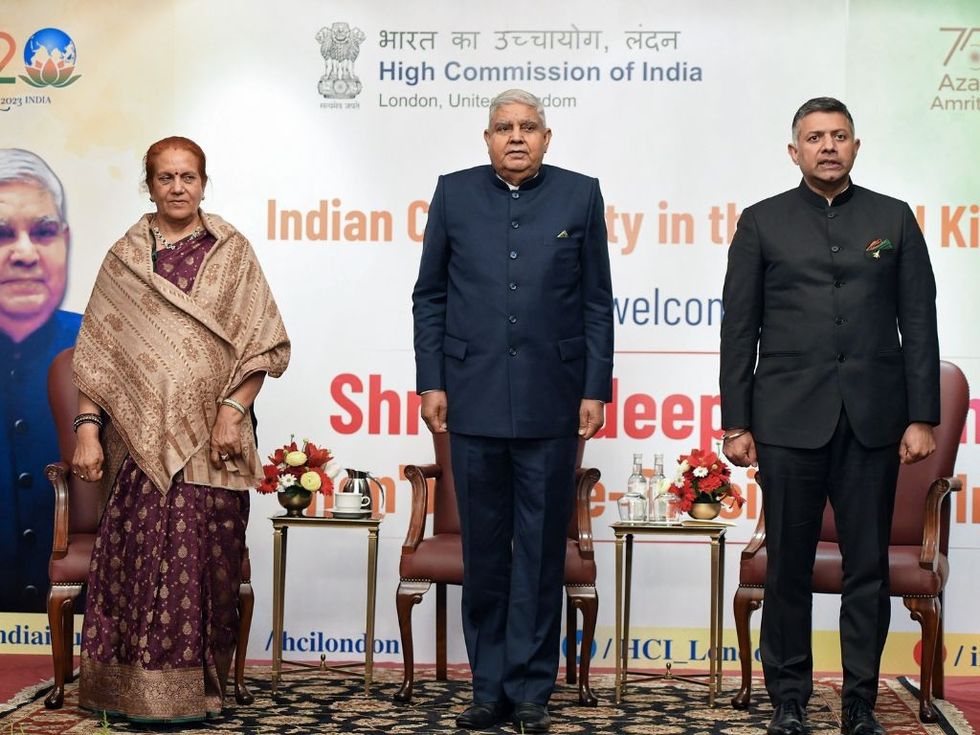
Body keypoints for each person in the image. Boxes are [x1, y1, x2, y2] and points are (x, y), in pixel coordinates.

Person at [720, 97, 939, 735]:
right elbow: (740, 328)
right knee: (786, 565)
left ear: (855, 146)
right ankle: (788, 698)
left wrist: (921, 415)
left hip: (874, 421)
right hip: (787, 421)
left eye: (839, 136)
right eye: (815, 138)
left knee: (865, 567)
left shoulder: (892, 219)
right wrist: (738, 421)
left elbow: (918, 324)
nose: (828, 147)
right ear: (795, 151)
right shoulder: (762, 222)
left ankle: (859, 704)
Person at [412, 89, 614, 733]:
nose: (517, 137)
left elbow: (595, 302)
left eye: (529, 127)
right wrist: (431, 380)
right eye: (505, 128)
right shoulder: (453, 193)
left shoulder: (579, 194)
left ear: (547, 138)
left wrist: (593, 389)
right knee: (487, 552)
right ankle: (488, 688)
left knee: (539, 552)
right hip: (469, 400)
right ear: (487, 137)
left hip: (553, 402)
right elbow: (431, 296)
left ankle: (532, 689)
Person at [71, 136, 290, 722]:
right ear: (149, 185)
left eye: (187, 177)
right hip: (137, 445)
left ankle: (199, 692)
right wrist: (88, 431)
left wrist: (232, 412)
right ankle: (126, 692)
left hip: (212, 442)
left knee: (204, 563)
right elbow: (96, 355)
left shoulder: (231, 253)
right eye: (165, 178)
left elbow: (263, 344)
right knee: (137, 563)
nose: (177, 188)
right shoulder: (124, 260)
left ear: (203, 181)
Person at [0, 148, 81, 611]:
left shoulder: (102, 340)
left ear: (65, 241)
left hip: (90, 621)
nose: (26, 253)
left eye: (45, 232)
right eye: (2, 234)